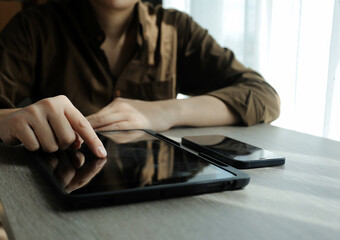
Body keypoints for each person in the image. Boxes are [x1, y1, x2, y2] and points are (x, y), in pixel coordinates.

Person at [0, 0, 280, 158]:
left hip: (155, 199)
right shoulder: (33, 28)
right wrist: (10, 119)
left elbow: (262, 96)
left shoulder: (176, 30)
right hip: (58, 201)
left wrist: (164, 111)